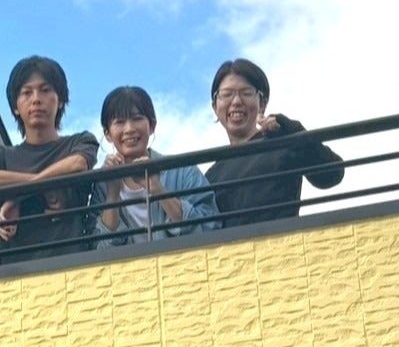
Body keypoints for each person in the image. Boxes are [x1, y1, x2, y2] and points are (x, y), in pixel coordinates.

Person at [0, 56, 99, 261]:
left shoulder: (79, 141)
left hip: (73, 266)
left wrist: (16, 196)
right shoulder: (1, 156)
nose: (36, 99)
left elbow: (78, 164)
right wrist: (40, 185)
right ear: (15, 106)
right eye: (26, 92)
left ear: (60, 100)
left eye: (45, 90)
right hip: (19, 271)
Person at [204, 58, 344, 227]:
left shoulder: (282, 143)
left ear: (262, 103)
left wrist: (291, 130)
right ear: (215, 106)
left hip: (280, 241)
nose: (236, 101)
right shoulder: (210, 177)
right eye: (227, 94)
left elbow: (332, 175)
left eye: (246, 93)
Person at [91, 86, 220, 246]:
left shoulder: (182, 170)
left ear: (152, 126)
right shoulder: (102, 185)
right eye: (119, 122)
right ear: (107, 134)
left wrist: (157, 189)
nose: (129, 129)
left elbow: (211, 225)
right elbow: (98, 248)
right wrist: (112, 194)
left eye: (137, 118)